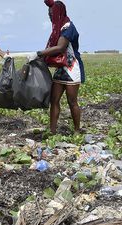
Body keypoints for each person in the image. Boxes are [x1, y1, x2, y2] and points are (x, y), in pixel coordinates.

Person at [27, 0, 85, 134]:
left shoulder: (68, 27)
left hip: (71, 68)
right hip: (61, 68)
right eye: (49, 14)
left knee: (72, 101)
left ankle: (77, 130)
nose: (50, 17)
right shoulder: (58, 28)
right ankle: (52, 130)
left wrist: (38, 53)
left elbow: (60, 47)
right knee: (54, 100)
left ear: (60, 13)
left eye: (52, 14)